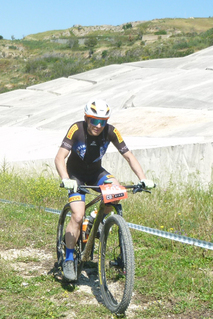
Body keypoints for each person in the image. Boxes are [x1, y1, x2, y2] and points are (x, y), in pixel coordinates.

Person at [54, 98, 155, 282]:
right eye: (94, 120)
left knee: (115, 190)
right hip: (75, 175)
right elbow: (60, 157)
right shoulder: (76, 129)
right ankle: (69, 259)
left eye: (102, 122)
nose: (98, 125)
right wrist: (65, 179)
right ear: (86, 118)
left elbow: (128, 156)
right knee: (77, 215)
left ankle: (94, 218)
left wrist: (143, 178)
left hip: (95, 173)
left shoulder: (111, 131)